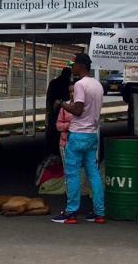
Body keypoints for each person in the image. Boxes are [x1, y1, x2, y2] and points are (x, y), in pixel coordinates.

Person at [51, 53, 106, 224]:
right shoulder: (97, 85)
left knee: (72, 174)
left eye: (73, 65)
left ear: (81, 66)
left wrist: (62, 104)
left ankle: (71, 212)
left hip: (78, 135)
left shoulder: (80, 85)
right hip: (91, 135)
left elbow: (78, 110)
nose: (71, 68)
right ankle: (99, 213)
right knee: (93, 174)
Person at [44, 66, 73, 156]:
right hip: (64, 110)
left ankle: (53, 151)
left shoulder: (54, 83)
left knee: (54, 132)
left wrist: (48, 113)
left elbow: (48, 100)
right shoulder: (69, 84)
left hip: (55, 111)